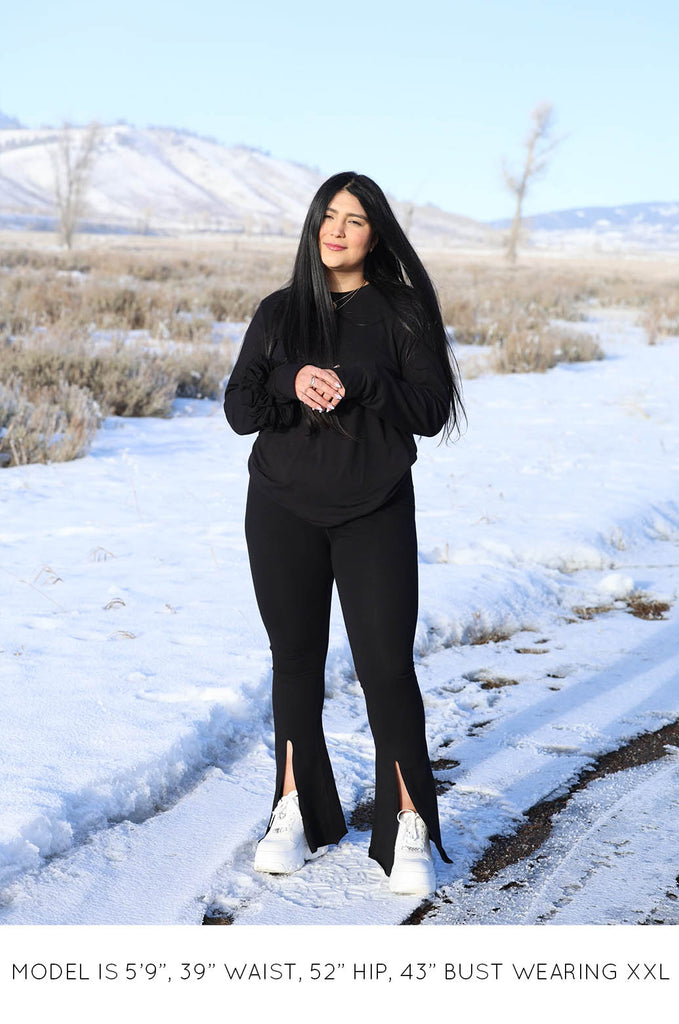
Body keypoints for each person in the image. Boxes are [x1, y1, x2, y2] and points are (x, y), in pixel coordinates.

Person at [223, 171, 464, 895]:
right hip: (281, 508)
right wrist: (290, 379)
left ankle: (408, 821)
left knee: (385, 668)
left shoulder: (402, 310)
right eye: (329, 215)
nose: (337, 230)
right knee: (294, 661)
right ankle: (296, 808)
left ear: (375, 233)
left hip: (374, 508)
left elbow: (428, 410)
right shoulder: (278, 312)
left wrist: (359, 382)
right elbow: (239, 408)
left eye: (354, 220)